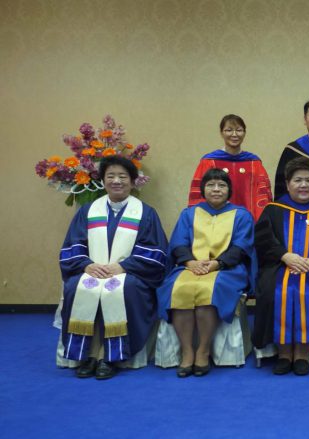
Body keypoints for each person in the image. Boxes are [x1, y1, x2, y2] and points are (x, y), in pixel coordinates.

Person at [58, 156, 168, 379]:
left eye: (122, 176)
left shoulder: (145, 213)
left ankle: (110, 356)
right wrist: (87, 265)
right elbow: (73, 245)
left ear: (133, 181)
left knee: (126, 289)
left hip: (130, 273)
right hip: (92, 271)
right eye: (111, 176)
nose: (116, 181)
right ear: (102, 181)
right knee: (76, 287)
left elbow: (155, 252)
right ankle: (87, 354)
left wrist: (124, 266)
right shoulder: (88, 211)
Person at [157, 168, 254, 378]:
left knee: (209, 288)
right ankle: (187, 351)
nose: (216, 189)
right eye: (211, 185)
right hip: (190, 266)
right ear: (203, 189)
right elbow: (178, 243)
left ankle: (203, 349)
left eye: (222, 185)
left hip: (227, 269)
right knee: (179, 288)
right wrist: (191, 262)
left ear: (229, 190)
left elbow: (241, 247)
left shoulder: (241, 215)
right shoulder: (189, 214)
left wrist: (216, 264)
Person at [253, 157, 309, 376]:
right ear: (287, 184)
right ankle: (284, 353)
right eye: (297, 180)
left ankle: (303, 353)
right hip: (279, 265)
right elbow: (264, 239)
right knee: (274, 291)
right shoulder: (273, 210)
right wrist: (285, 256)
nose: (303, 185)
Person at [189, 114, 272, 221]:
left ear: (244, 133)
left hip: (248, 223)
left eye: (239, 130)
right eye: (229, 130)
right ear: (221, 133)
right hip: (215, 223)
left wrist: (260, 223)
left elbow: (263, 197)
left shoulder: (254, 163)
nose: (234, 134)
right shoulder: (209, 162)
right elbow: (198, 195)